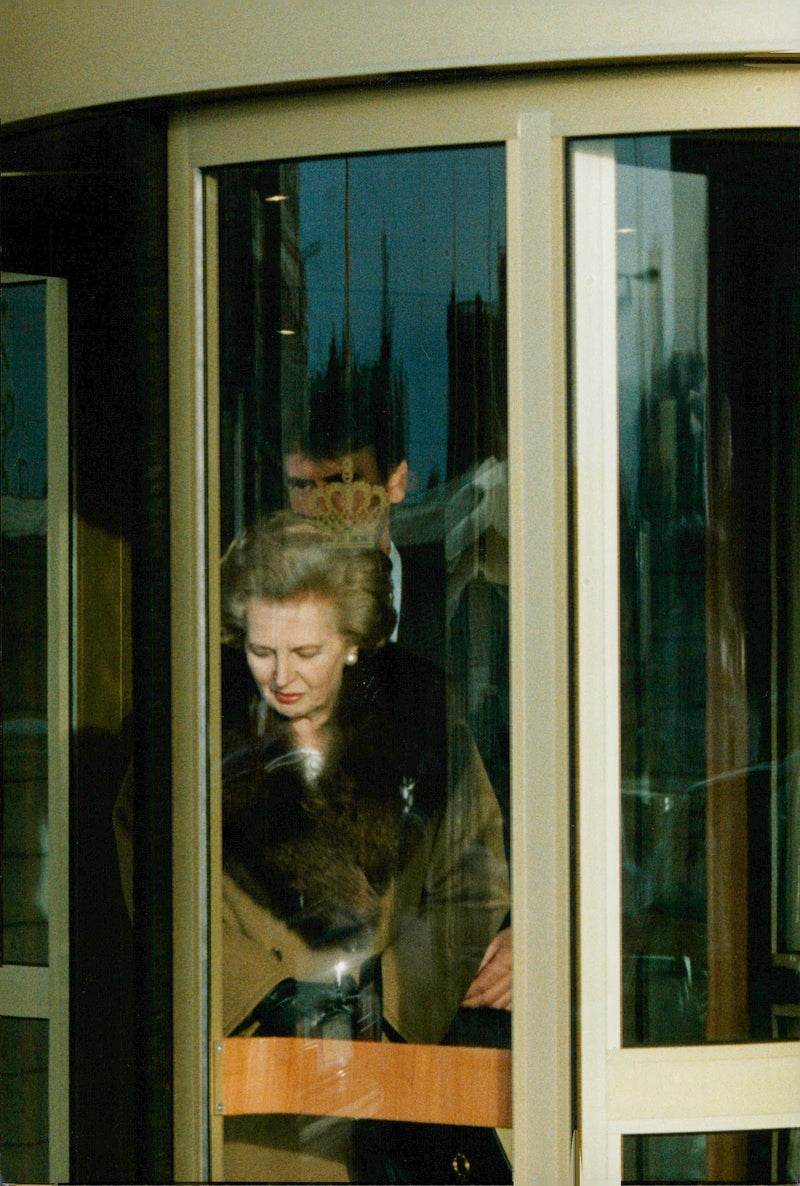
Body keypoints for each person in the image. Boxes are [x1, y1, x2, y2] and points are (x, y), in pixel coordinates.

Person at [220, 511, 509, 1182]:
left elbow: (477, 877)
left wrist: (397, 996)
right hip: (256, 1095)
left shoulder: (426, 721)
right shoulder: (192, 737)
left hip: (394, 1089)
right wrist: (265, 995)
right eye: (261, 651)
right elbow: (158, 889)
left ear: (351, 643)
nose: (280, 676)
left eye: (307, 653)